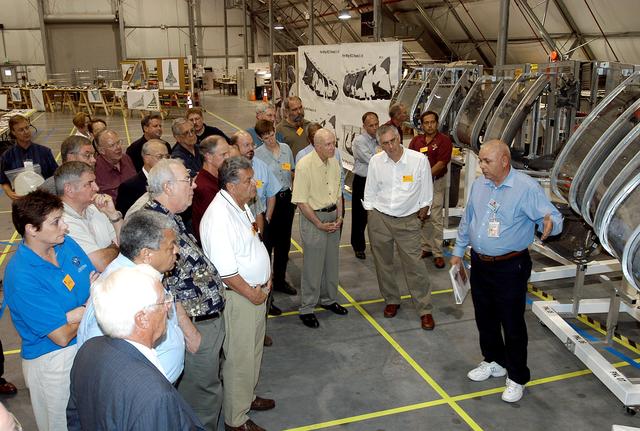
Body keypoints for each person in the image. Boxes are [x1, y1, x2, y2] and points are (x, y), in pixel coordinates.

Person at [450, 139, 563, 403]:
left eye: (486, 161)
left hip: (510, 266)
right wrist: (458, 251)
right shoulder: (479, 185)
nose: (481, 166)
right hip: (480, 263)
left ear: (504, 161)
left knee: (512, 323)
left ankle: (517, 376)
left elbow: (552, 217)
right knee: (485, 317)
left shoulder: (525, 188)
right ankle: (493, 361)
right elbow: (469, 219)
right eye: (480, 160)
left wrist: (550, 223)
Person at [67, 265, 205, 430]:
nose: (169, 307)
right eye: (163, 302)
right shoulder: (155, 395)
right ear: (142, 319)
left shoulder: (88, 350)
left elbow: (75, 420)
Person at [145, 159, 226, 429]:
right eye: (186, 181)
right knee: (200, 400)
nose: (193, 185)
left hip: (203, 322)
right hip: (193, 327)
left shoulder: (171, 220)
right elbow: (159, 284)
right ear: (168, 187)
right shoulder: (155, 227)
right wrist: (188, 330)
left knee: (206, 392)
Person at [4, 190, 93, 431]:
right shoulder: (22, 275)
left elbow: (96, 280)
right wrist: (89, 307)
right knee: (61, 425)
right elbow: (61, 336)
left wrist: (73, 315)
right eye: (56, 222)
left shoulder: (66, 245)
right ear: (32, 229)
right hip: (53, 363)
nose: (65, 226)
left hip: (86, 344)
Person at [76, 210, 195, 385]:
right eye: (171, 246)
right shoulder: (121, 291)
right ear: (147, 254)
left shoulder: (144, 274)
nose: (177, 250)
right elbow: (103, 359)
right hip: (142, 395)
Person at [200, 157, 274, 431]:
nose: (253, 184)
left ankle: (246, 397)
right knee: (238, 359)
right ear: (231, 185)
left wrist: (266, 276)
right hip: (240, 297)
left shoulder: (239, 206)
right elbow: (226, 273)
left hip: (255, 293)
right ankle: (235, 419)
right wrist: (253, 294)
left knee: (252, 353)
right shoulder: (219, 217)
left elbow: (252, 242)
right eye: (247, 180)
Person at [363, 124, 435, 330]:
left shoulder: (418, 160)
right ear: (380, 144)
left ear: (399, 138)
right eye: (385, 143)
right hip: (380, 218)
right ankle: (391, 300)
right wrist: (371, 212)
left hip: (408, 219)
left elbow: (426, 189)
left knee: (415, 265)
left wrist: (423, 208)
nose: (391, 146)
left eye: (393, 141)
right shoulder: (376, 161)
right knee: (383, 263)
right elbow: (371, 189)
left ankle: (425, 309)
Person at [292, 129, 348, 328]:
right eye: (328, 144)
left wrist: (340, 216)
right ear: (316, 146)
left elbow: (338, 192)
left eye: (334, 143)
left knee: (331, 263)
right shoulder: (304, 165)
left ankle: (329, 300)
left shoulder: (334, 162)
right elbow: (300, 200)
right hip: (314, 219)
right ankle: (307, 308)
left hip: (333, 217)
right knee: (313, 267)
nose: (333, 148)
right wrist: (318, 223)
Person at [254, 119, 297, 296]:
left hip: (286, 200)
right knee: (267, 244)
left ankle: (280, 280)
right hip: (269, 204)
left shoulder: (286, 149)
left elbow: (291, 172)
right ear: (260, 138)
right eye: (265, 137)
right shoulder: (257, 155)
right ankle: (266, 282)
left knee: (284, 243)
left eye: (271, 134)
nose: (270, 139)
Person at [57, 161, 123, 272]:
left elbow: (129, 246)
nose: (96, 188)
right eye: (90, 183)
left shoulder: (96, 209)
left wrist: (113, 215)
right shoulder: (62, 222)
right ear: (69, 189)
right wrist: (117, 247)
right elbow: (101, 264)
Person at [409, 111, 453, 269]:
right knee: (423, 216)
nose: (429, 125)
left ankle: (438, 253)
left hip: (435, 183)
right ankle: (426, 247)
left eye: (432, 122)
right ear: (422, 125)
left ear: (437, 123)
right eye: (426, 122)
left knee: (434, 217)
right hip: (419, 185)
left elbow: (441, 163)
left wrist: (424, 178)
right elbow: (410, 161)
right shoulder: (416, 141)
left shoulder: (444, 141)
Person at [1, 115, 58, 200]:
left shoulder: (44, 152)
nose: (26, 132)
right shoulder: (7, 156)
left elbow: (56, 175)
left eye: (27, 128)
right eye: (21, 130)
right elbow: (3, 180)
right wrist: (9, 193)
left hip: (44, 199)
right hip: (21, 201)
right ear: (13, 132)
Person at [192, 135, 230, 244]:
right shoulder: (204, 187)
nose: (228, 157)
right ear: (208, 157)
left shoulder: (217, 178)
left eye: (228, 153)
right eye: (223, 154)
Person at [351, 112, 379, 259]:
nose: (374, 128)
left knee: (377, 216)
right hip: (363, 181)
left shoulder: (380, 138)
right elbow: (373, 160)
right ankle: (358, 246)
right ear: (364, 126)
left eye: (376, 124)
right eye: (371, 125)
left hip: (378, 182)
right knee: (359, 216)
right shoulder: (359, 141)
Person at [116, 139, 170, 215]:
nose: (165, 161)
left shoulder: (171, 180)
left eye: (167, 157)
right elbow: (125, 218)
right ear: (146, 158)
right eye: (160, 157)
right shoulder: (129, 187)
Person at [94, 129, 136, 201]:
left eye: (118, 142)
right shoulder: (95, 169)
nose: (118, 147)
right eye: (112, 145)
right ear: (101, 151)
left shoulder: (126, 158)